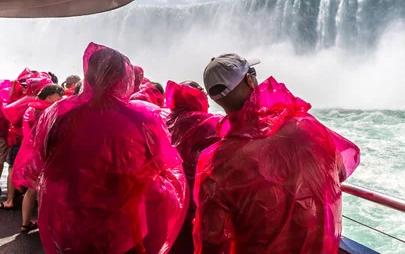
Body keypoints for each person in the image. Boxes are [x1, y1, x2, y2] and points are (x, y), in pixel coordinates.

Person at [194, 54, 360, 254]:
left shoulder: (216, 162)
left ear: (213, 98)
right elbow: (339, 169)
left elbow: (212, 237)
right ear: (250, 80)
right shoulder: (306, 127)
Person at [33, 43, 188, 254]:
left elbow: (43, 161)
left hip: (73, 221)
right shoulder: (143, 117)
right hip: (125, 229)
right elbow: (166, 165)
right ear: (124, 78)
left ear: (89, 76)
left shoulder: (59, 115)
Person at [164, 80, 221, 254]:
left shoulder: (162, 119)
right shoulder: (210, 123)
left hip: (170, 201)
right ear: (197, 96)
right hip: (199, 201)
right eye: (202, 91)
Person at [12, 83, 64, 233]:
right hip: (46, 156)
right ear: (49, 96)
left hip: (31, 155)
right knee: (44, 192)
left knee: (31, 190)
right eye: (58, 94)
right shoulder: (51, 110)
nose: (61, 97)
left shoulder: (31, 109)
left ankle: (25, 223)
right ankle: (45, 226)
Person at [0, 71, 52, 210]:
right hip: (27, 141)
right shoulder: (36, 103)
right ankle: (14, 199)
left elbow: (9, 113)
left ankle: (11, 199)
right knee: (27, 172)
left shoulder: (24, 101)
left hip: (19, 139)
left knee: (15, 169)